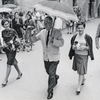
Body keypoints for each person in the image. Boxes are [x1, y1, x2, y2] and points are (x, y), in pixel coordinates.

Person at [33, 16, 64, 99]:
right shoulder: (42, 32)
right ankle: (55, 77)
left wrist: (54, 40)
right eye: (45, 23)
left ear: (52, 24)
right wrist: (31, 33)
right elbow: (33, 39)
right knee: (49, 72)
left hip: (54, 57)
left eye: (47, 23)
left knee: (51, 74)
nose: (46, 24)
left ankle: (50, 91)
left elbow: (62, 43)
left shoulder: (57, 32)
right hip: (46, 57)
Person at [69, 22, 94, 95]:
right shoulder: (74, 37)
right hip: (77, 55)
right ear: (77, 28)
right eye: (79, 28)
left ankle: (78, 87)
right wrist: (73, 47)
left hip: (84, 56)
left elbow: (90, 48)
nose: (80, 29)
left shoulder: (87, 37)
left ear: (84, 28)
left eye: (81, 28)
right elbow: (72, 46)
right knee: (79, 70)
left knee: (81, 71)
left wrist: (85, 47)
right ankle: (83, 79)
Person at [1, 19, 22, 87]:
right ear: (3, 25)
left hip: (13, 49)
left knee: (8, 64)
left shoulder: (13, 31)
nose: (7, 25)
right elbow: (4, 40)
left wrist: (13, 43)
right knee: (12, 61)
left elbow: (17, 39)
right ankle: (19, 72)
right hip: (7, 49)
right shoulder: (3, 32)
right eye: (5, 24)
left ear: (9, 24)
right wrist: (3, 44)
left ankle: (5, 80)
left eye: (7, 24)